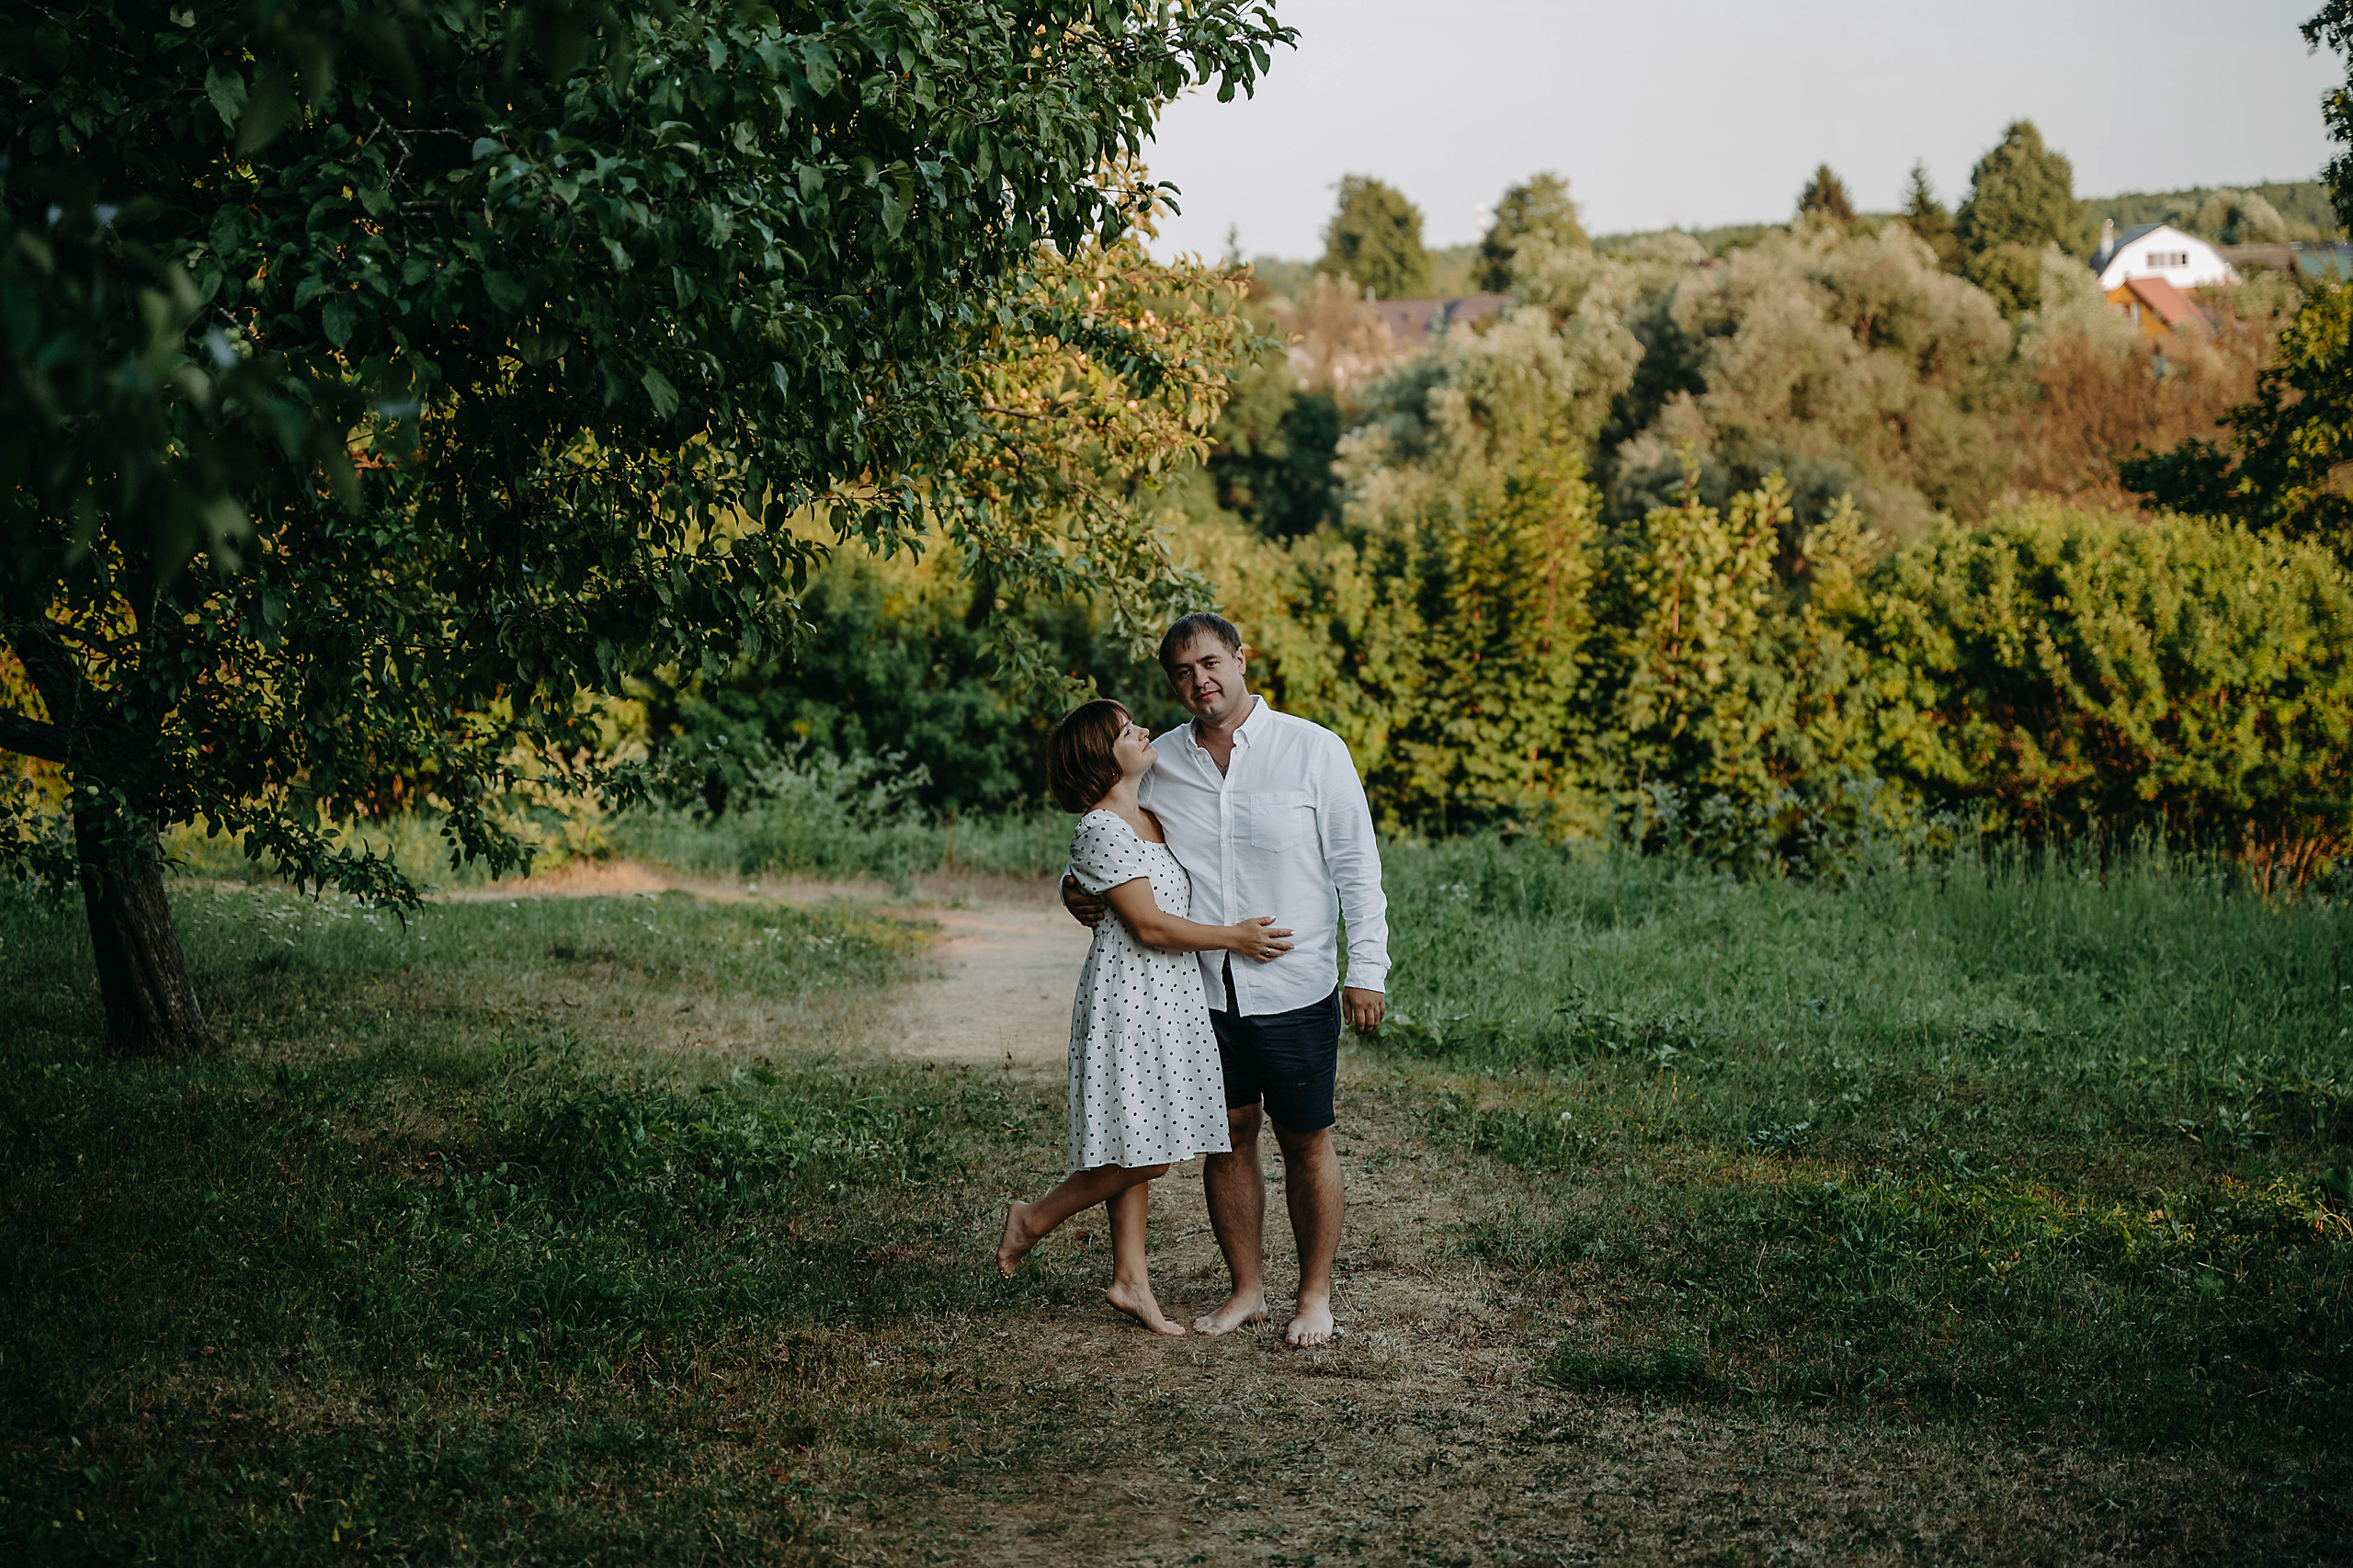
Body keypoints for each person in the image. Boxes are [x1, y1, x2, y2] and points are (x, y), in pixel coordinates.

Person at [1062, 613, 1388, 1348]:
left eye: (1210, 663)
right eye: (1181, 672)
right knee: (1230, 1138)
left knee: (1306, 1140)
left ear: (1242, 660)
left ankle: (1313, 1297)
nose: (1198, 681)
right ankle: (1246, 1291)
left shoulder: (1313, 750)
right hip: (1199, 991)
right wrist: (1070, 886)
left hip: (1297, 986)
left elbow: (1357, 869)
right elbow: (1111, 833)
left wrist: (1367, 970)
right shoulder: (1161, 760)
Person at [997, 698, 1295, 1335]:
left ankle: (1131, 1279)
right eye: (1125, 731)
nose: (1142, 731)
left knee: (1135, 1137)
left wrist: (1072, 883)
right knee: (1148, 1154)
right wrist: (1234, 938)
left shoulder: (1150, 809)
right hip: (1128, 999)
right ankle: (1034, 1219)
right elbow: (1151, 926)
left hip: (1167, 996)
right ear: (1098, 757)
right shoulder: (1102, 826)